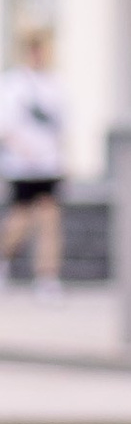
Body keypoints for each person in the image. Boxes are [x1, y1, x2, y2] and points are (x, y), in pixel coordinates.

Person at [0, 24, 68, 295]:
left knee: (49, 217)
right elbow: (6, 127)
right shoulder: (14, 84)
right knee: (21, 219)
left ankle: (47, 277)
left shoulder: (56, 84)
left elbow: (62, 127)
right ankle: (5, 255)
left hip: (49, 165)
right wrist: (23, 149)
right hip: (23, 167)